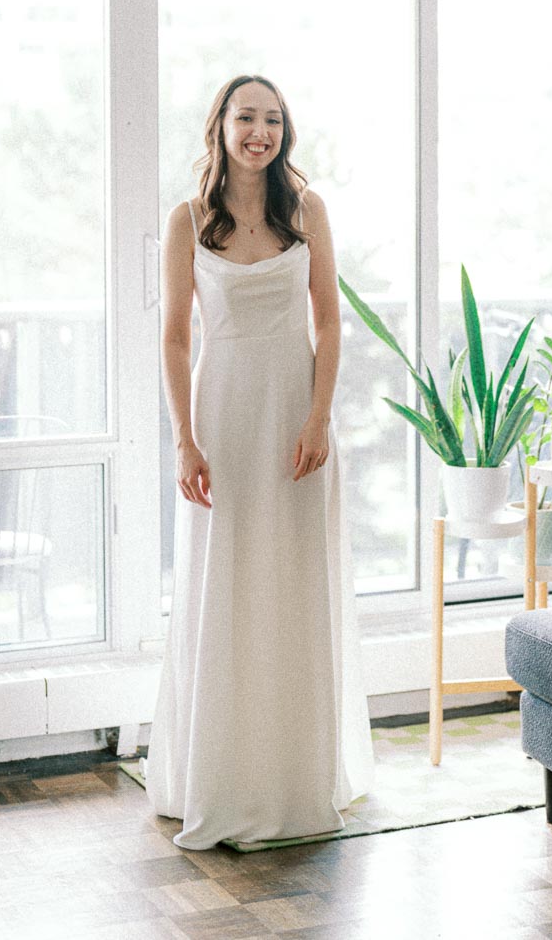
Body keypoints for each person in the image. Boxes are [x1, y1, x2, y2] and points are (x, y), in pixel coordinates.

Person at [143, 73, 375, 849]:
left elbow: (330, 323)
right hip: (222, 418)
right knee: (225, 581)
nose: (260, 133)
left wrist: (319, 416)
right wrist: (184, 438)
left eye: (273, 120)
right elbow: (175, 336)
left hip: (296, 419)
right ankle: (221, 777)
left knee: (293, 582)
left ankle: (294, 777)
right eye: (247, 117)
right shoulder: (187, 220)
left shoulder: (307, 210)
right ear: (220, 125)